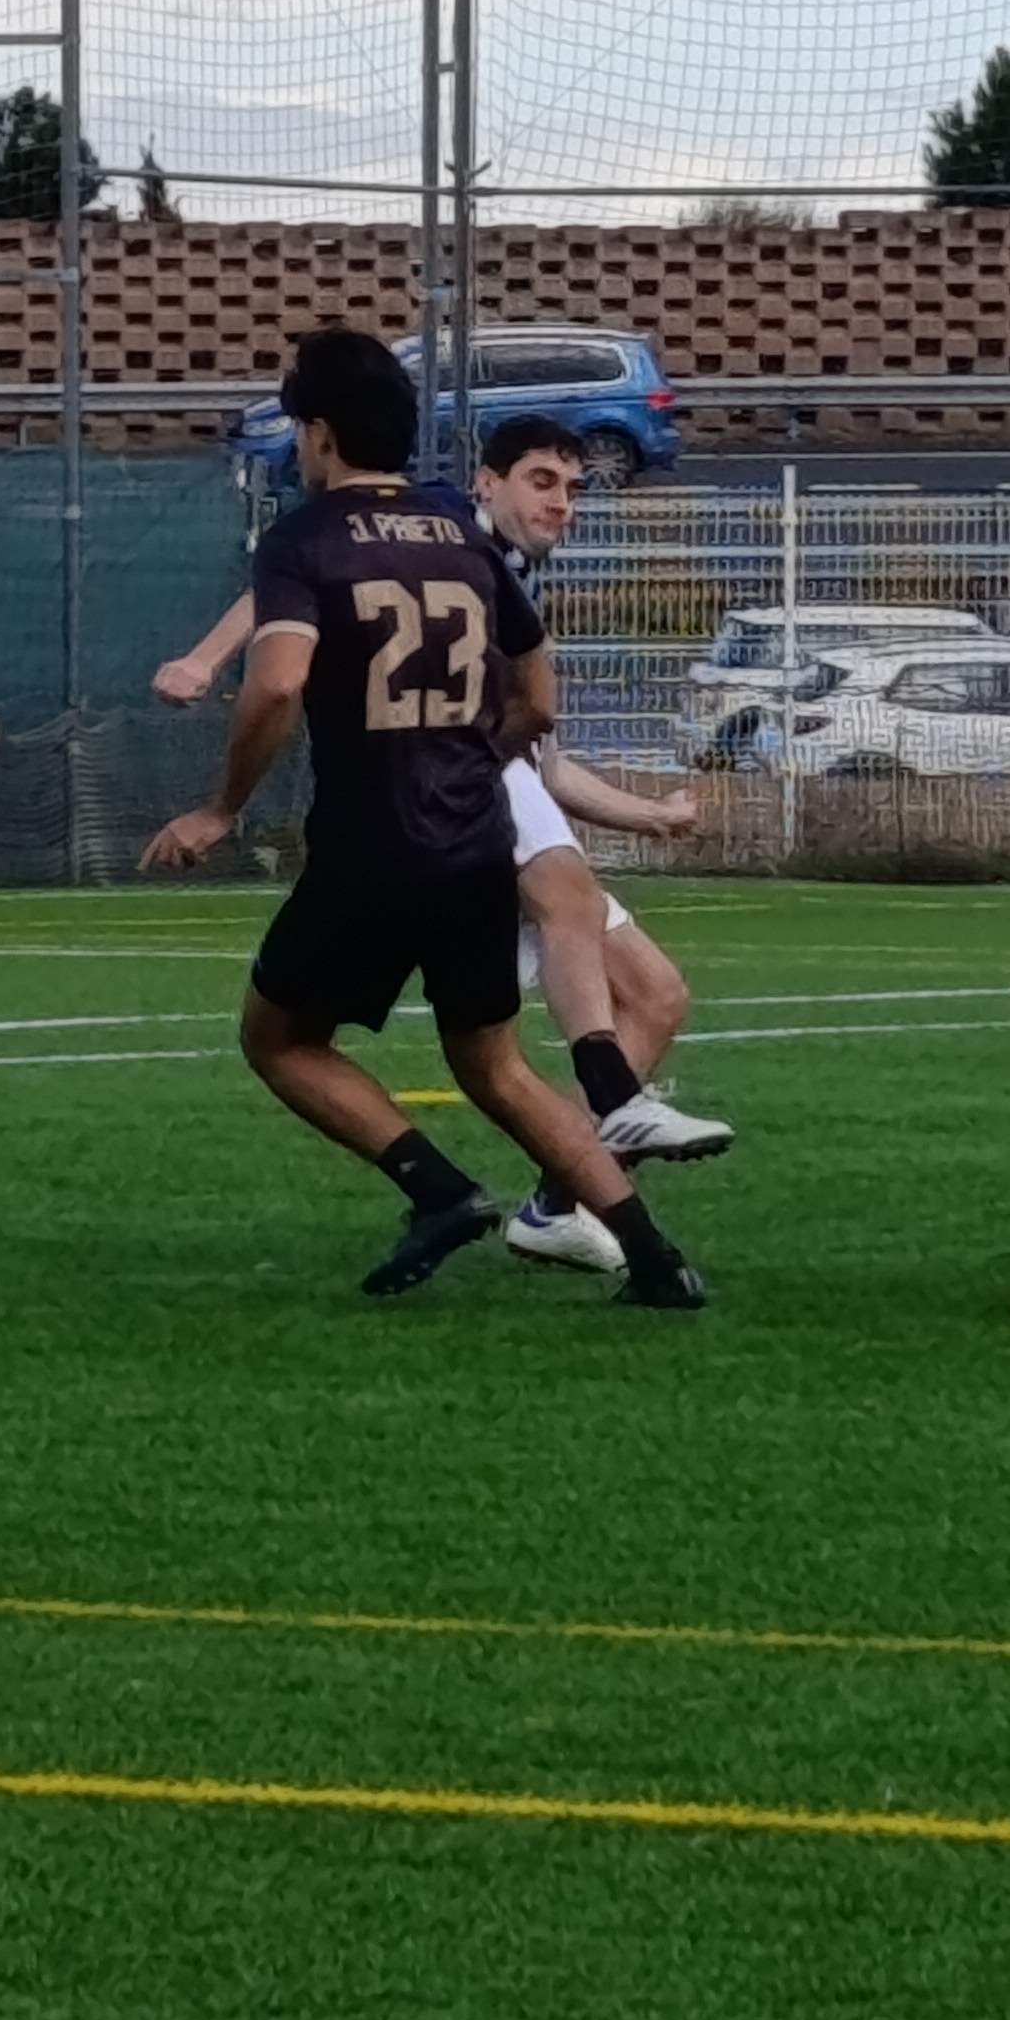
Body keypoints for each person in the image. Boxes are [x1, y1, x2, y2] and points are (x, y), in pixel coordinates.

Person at [145, 330, 706, 1307]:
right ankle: (655, 1259)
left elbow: (276, 683)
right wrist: (476, 756)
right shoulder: (457, 531)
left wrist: (221, 807)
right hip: (476, 844)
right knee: (497, 1066)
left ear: (319, 434)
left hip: (370, 848)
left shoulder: (305, 539)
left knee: (279, 1040)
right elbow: (538, 698)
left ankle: (438, 1189)